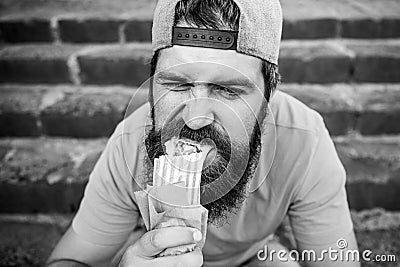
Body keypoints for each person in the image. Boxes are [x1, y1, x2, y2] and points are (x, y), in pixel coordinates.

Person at [47, 0, 360, 266]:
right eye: (178, 85)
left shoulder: (304, 139)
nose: (196, 119)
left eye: (227, 89)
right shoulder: (130, 142)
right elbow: (71, 259)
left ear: (269, 98)